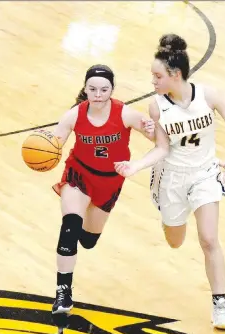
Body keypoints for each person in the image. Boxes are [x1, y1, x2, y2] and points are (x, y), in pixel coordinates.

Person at [128, 33, 225, 330]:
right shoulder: (157, 107)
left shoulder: (209, 96)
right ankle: (168, 218)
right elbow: (162, 148)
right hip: (171, 179)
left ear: (175, 75)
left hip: (204, 174)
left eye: (157, 76)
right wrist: (136, 166)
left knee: (208, 239)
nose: (152, 81)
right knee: (175, 241)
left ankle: (220, 303)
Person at [50, 64, 170, 314]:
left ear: (112, 90)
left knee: (88, 240)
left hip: (110, 181)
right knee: (70, 227)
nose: (97, 94)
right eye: (92, 89)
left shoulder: (125, 113)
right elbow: (56, 140)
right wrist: (45, 144)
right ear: (85, 89)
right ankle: (63, 292)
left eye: (104, 89)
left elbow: (158, 141)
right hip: (79, 175)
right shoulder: (74, 115)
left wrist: (151, 129)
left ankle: (86, 225)